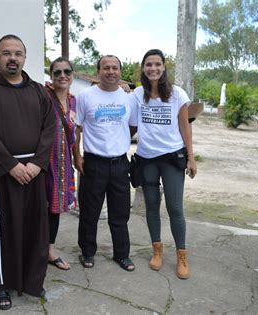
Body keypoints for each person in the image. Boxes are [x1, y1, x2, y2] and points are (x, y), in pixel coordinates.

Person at [0, 34, 56, 310]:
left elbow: (49, 129)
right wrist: (10, 166)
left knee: (33, 228)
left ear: (25, 58)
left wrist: (35, 164)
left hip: (32, 171)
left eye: (18, 53)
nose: (12, 58)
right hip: (0, 174)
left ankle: (31, 280)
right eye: (6, 53)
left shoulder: (39, 92)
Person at [130, 49, 197, 279]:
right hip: (147, 158)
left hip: (172, 157)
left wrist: (191, 156)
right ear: (143, 68)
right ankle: (156, 250)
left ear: (164, 67)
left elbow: (185, 126)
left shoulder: (177, 94)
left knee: (175, 208)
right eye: (149, 64)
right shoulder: (137, 95)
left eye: (157, 64)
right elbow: (129, 124)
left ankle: (181, 255)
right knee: (151, 206)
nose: (153, 68)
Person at [73, 55, 136, 272]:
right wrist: (77, 155)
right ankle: (87, 252)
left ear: (120, 72)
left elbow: (132, 126)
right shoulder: (85, 96)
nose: (110, 71)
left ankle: (122, 254)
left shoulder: (129, 98)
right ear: (98, 71)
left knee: (120, 213)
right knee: (90, 212)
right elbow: (77, 128)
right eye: (106, 68)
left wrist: (120, 142)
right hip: (93, 163)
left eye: (115, 68)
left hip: (120, 163)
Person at [44, 57, 77, 271]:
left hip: (63, 161)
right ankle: (33, 252)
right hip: (43, 162)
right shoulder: (43, 96)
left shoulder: (73, 100)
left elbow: (75, 132)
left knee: (54, 209)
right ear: (51, 76)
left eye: (67, 71)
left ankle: (49, 251)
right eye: (57, 72)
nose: (62, 76)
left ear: (72, 75)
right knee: (40, 207)